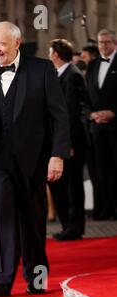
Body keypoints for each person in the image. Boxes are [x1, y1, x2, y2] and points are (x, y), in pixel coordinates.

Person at [0, 22, 70, 297]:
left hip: (34, 161)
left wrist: (57, 155)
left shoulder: (42, 69)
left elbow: (59, 116)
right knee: (1, 216)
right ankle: (1, 280)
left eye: (1, 44)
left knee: (33, 222)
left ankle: (36, 278)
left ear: (17, 42)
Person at [48, 39, 88, 240]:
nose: (49, 55)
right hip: (60, 141)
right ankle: (67, 226)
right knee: (61, 185)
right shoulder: (60, 75)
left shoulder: (72, 76)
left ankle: (74, 227)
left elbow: (72, 113)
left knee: (72, 185)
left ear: (56, 54)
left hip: (70, 141)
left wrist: (68, 143)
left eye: (50, 52)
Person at [86, 29, 117, 221]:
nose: (103, 46)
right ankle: (102, 210)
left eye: (106, 42)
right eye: (100, 42)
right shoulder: (93, 64)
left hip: (116, 125)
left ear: (114, 43)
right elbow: (87, 92)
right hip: (96, 126)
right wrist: (92, 114)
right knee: (99, 169)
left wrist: (113, 112)